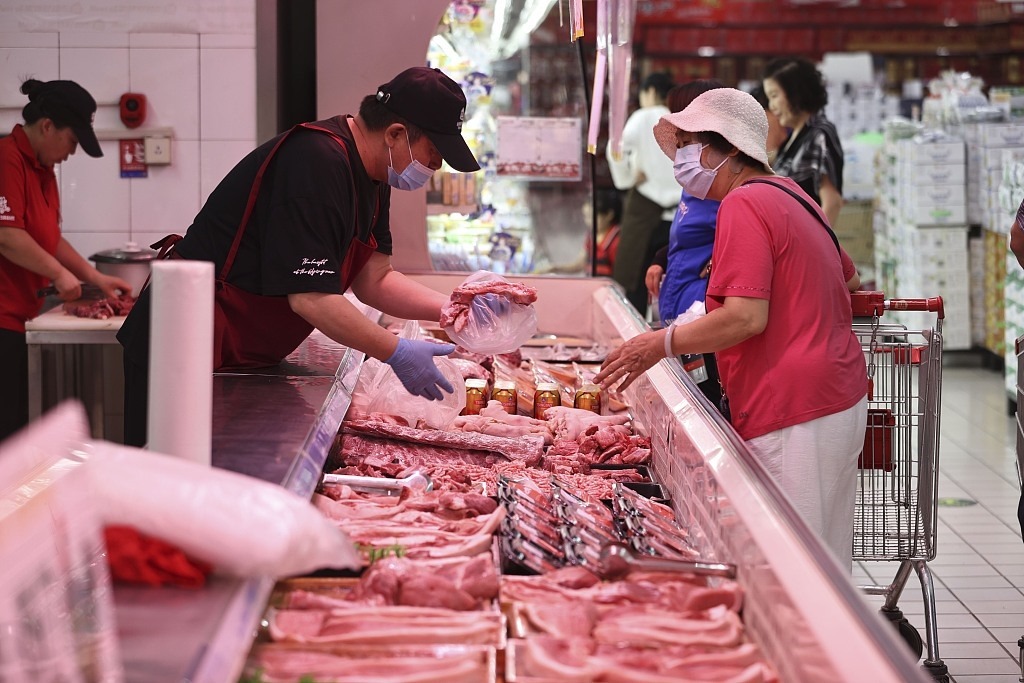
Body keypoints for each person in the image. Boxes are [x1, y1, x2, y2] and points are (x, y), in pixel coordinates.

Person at [118, 67, 481, 447]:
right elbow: (311, 298)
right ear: (395, 134)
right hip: (184, 345)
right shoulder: (316, 161)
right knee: (167, 471)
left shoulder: (376, 175)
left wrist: (454, 308)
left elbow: (375, 279)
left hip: (239, 352)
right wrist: (396, 352)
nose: (437, 166)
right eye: (435, 152)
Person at [595, 88, 868, 568]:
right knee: (825, 558)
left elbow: (746, 317)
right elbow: (850, 279)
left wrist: (660, 343)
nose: (681, 160)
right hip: (837, 393)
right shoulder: (791, 193)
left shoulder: (744, 204)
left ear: (732, 149)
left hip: (793, 405)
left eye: (690, 146)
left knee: (789, 565)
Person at [0, 79, 132, 442]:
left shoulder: (43, 170)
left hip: (24, 319)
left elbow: (50, 239)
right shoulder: (7, 158)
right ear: (47, 126)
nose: (72, 152)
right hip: (3, 319)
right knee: (7, 434)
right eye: (72, 141)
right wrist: (59, 275)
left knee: (19, 430)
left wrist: (95, 277)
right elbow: (7, 236)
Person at [606, 72, 681, 313]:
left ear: (650, 92)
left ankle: (636, 326)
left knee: (636, 278)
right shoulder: (680, 120)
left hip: (644, 208)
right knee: (670, 278)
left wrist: (626, 178)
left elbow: (615, 149)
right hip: (678, 212)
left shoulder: (643, 117)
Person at [762, 57, 845, 227]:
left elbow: (832, 202)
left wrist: (815, 241)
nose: (772, 106)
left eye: (774, 95)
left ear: (795, 93)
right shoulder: (795, 137)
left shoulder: (819, 134)